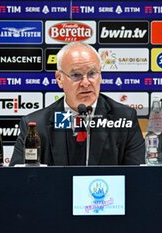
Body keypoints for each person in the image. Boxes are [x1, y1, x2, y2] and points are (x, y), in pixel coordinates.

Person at [10, 42, 145, 166]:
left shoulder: (124, 119)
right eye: (76, 75)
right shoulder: (35, 126)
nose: (85, 83)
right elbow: (20, 181)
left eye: (92, 74)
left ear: (101, 76)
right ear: (59, 79)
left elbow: (136, 180)